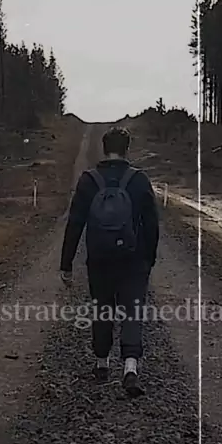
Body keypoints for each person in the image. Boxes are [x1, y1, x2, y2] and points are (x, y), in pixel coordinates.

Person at [59, 126, 159, 397]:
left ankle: (101, 363)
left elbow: (75, 223)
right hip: (133, 259)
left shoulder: (88, 180)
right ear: (127, 149)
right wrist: (149, 257)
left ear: (104, 149)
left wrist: (66, 263)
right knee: (132, 311)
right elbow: (152, 224)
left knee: (102, 308)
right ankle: (130, 368)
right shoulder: (139, 180)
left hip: (99, 257)